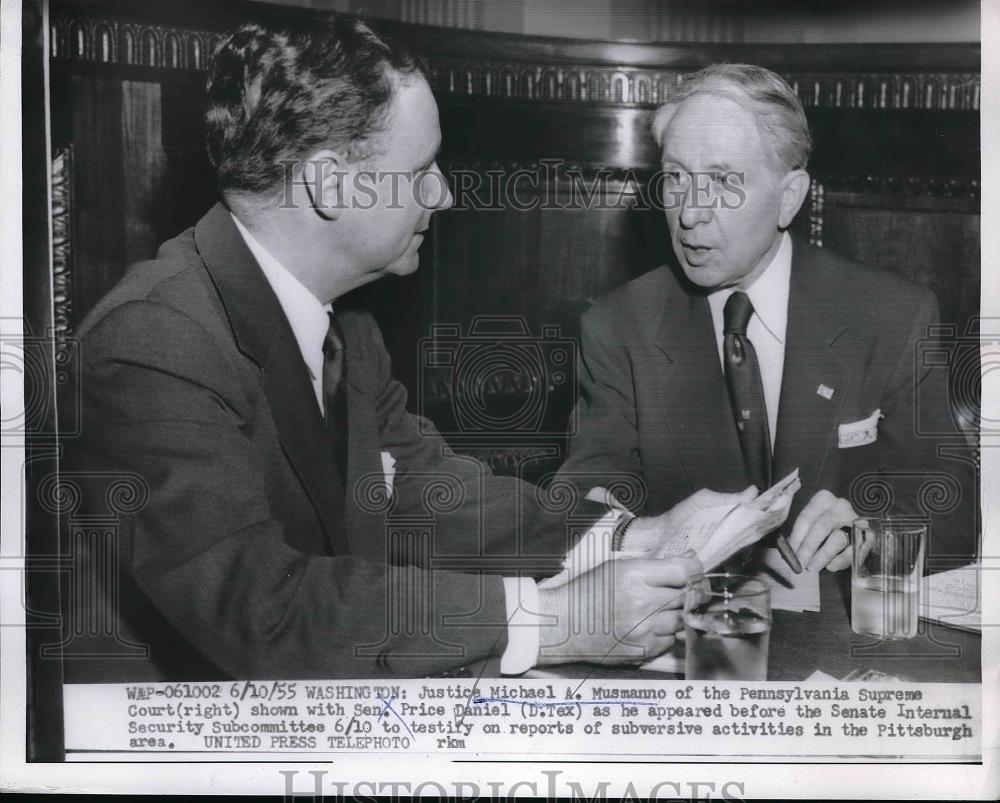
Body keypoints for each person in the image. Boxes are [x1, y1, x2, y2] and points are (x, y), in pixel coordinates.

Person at [64, 20, 789, 681]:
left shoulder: (347, 323)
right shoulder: (151, 342)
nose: (441, 196)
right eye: (421, 172)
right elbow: (263, 608)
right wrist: (560, 621)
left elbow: (426, 489)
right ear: (327, 183)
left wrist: (630, 532)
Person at [558, 63, 976, 594]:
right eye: (677, 177)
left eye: (724, 182)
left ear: (789, 197)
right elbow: (583, 505)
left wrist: (867, 533)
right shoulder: (618, 328)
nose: (690, 213)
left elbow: (956, 514)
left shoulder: (893, 316)